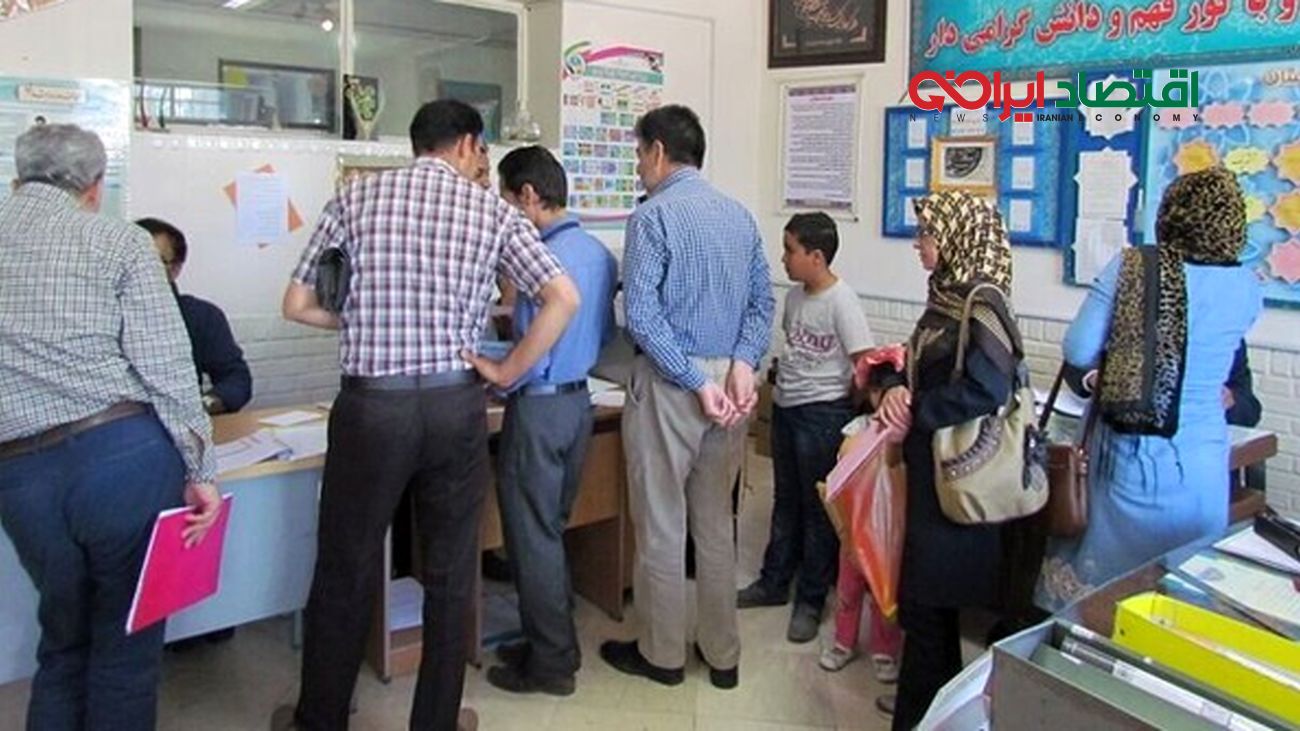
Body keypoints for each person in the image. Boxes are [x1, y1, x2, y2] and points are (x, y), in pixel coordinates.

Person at [275, 100, 579, 731]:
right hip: (452, 405)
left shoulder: (354, 198)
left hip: (371, 408)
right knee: (449, 571)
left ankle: (319, 720)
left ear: (418, 144)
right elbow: (562, 297)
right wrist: (507, 370)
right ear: (467, 144)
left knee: (345, 564)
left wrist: (359, 321)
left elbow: (297, 304)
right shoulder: (493, 211)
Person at [0, 123, 223, 729]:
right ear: (95, 187)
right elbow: (166, 366)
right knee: (127, 641)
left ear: (18, 178)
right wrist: (201, 468)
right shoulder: (120, 242)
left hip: (19, 474)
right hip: (121, 457)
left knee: (62, 638)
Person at [600, 104, 774, 690]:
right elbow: (762, 303)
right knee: (716, 525)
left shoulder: (652, 217)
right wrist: (742, 366)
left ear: (657, 151)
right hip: (732, 386)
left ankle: (663, 655)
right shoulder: (739, 215)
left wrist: (694, 381)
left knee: (661, 524)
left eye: (638, 154)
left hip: (674, 386)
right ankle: (723, 657)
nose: (638, 166)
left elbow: (643, 316)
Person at [1037, 167, 1261, 612]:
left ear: (1169, 216)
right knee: (1179, 604)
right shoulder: (1246, 285)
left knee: (1110, 603)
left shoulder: (1134, 267)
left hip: (1135, 462)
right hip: (1202, 465)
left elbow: (1078, 348)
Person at [874, 191, 1021, 730]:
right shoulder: (947, 296)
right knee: (926, 611)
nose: (919, 244)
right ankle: (934, 714)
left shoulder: (984, 303)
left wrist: (917, 412)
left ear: (959, 237)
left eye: (927, 234)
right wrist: (894, 385)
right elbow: (920, 364)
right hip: (931, 475)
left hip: (959, 481)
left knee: (929, 607)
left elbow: (987, 388)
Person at [475, 146, 618, 696]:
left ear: (529, 196)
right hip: (578, 405)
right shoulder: (598, 253)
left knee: (530, 540)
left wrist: (498, 372)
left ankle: (552, 664)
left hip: (537, 407)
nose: (506, 211)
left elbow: (531, 351)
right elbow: (603, 334)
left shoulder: (540, 257)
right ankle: (551, 643)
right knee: (548, 533)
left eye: (507, 200)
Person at [736, 212, 873, 644]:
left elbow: (864, 362)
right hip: (786, 408)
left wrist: (849, 412)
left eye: (790, 250)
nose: (783, 258)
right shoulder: (795, 297)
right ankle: (774, 581)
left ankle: (811, 600)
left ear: (816, 256)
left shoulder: (842, 301)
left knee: (817, 511)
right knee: (785, 500)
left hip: (822, 415)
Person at [138, 217, 253, 416]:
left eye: (152, 262)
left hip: (179, 422)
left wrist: (204, 405)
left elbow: (236, 379)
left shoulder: (200, 315)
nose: (137, 269)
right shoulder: (97, 315)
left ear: (175, 269)